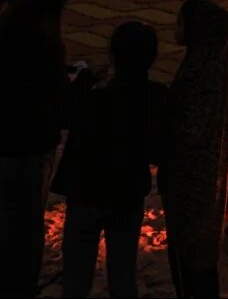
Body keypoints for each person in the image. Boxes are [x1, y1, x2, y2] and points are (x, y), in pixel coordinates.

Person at [0, 0, 86, 297]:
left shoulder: (32, 19)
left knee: (6, 248)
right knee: (12, 252)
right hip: (15, 150)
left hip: (10, 147)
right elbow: (27, 91)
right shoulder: (31, 24)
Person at [53, 22, 169, 298]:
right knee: (122, 272)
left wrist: (84, 82)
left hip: (86, 192)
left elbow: (63, 114)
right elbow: (157, 150)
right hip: (126, 193)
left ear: (113, 56)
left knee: (76, 276)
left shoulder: (95, 98)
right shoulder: (155, 96)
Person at [160, 0, 228, 298]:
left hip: (190, 182)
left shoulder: (199, 77)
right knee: (200, 262)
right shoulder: (212, 69)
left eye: (181, 21)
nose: (176, 27)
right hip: (205, 183)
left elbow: (188, 130)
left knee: (190, 262)